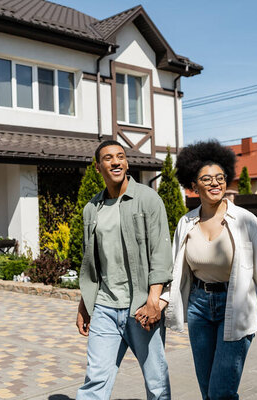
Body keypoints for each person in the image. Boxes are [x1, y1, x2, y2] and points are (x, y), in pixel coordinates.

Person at [160, 139, 257, 400]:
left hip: (236, 306)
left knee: (221, 392)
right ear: (193, 186)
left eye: (220, 177)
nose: (215, 183)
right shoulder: (186, 222)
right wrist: (159, 302)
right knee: (208, 391)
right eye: (206, 179)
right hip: (199, 308)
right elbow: (176, 270)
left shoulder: (245, 220)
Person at [76, 140, 174, 400]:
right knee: (95, 380)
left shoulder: (148, 200)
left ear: (127, 163)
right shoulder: (91, 209)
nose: (116, 161)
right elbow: (91, 263)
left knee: (156, 382)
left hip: (141, 307)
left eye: (120, 156)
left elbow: (161, 255)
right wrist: (84, 305)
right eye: (108, 158)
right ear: (98, 167)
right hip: (105, 308)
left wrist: (154, 300)